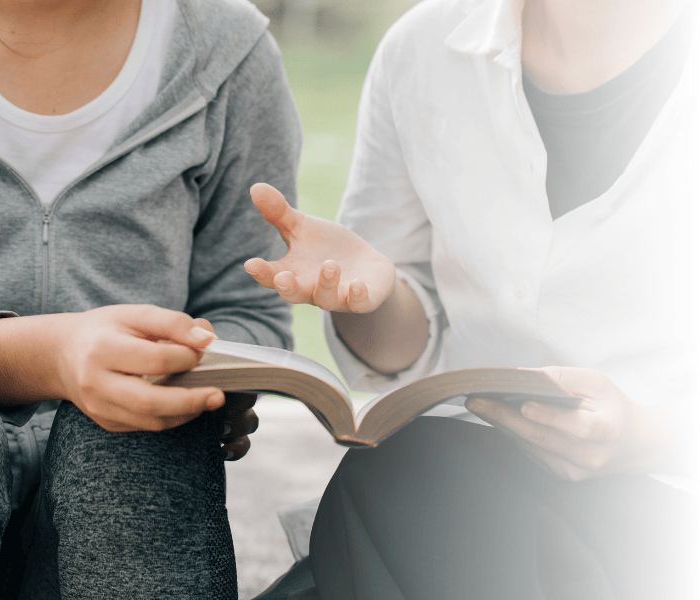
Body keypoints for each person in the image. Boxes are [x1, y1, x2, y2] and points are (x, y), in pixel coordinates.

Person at [246, 0, 700, 597]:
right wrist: (372, 299)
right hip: (469, 487)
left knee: (406, 483)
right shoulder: (422, 50)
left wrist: (647, 437)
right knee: (414, 474)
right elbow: (404, 354)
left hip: (666, 508)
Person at [0, 0, 300, 598]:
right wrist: (54, 357)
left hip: (125, 490)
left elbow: (250, 311)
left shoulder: (228, 50)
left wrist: (199, 372)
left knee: (133, 433)